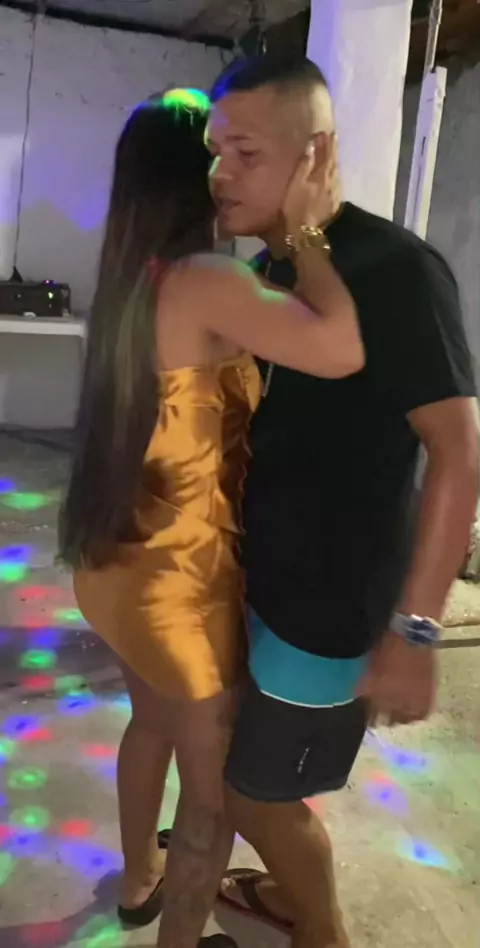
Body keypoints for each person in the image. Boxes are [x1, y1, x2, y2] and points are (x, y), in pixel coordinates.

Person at [58, 87, 364, 948]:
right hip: (183, 584)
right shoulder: (208, 281)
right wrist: (308, 229)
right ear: (193, 179)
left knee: (150, 723)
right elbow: (342, 348)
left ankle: (137, 882)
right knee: (210, 797)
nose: (232, 170)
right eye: (223, 154)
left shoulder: (135, 278)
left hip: (120, 563)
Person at [205, 56, 479, 948]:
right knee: (252, 767)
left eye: (246, 153)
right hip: (262, 578)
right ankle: (291, 896)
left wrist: (417, 630)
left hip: (329, 606)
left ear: (314, 154)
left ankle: (323, 931)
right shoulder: (272, 268)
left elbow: (459, 451)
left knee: (256, 793)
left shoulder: (395, 269)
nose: (220, 173)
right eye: (215, 151)